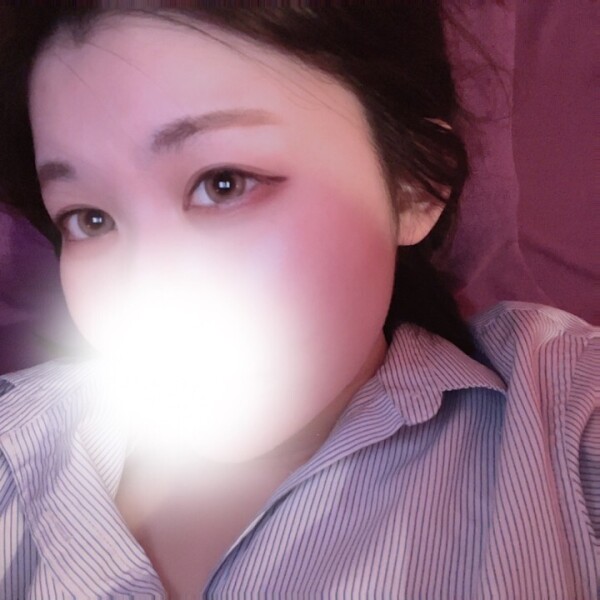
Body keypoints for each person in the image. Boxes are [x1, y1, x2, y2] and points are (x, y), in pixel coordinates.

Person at [0, 5, 597, 599]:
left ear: (414, 185)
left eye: (224, 183)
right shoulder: (15, 445)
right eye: (90, 219)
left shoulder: (562, 421)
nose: (141, 293)